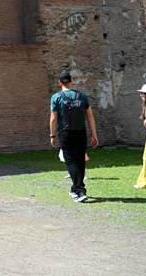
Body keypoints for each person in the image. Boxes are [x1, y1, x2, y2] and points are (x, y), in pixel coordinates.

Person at [49, 71, 98, 202]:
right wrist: (94, 135)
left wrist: (52, 135)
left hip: (65, 133)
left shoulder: (56, 97)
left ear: (60, 82)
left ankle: (80, 191)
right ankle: (75, 188)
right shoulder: (82, 96)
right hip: (81, 132)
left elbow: (54, 118)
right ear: (71, 81)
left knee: (71, 162)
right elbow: (90, 116)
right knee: (80, 161)